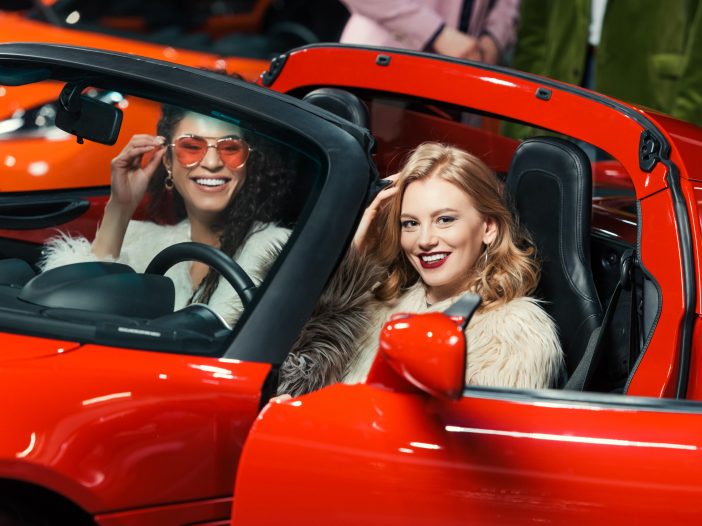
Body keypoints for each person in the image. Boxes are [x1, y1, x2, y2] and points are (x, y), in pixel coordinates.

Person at [40, 106, 292, 324]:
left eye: (230, 148)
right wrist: (120, 208)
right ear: (168, 162)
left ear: (247, 162)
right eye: (192, 147)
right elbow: (66, 311)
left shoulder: (276, 250)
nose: (213, 162)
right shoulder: (140, 243)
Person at [347, 142, 563, 389]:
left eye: (445, 220)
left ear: (488, 227)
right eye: (410, 224)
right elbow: (306, 368)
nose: (425, 240)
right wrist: (356, 252)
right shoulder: (375, 302)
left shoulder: (515, 335)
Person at [506, 0, 702, 135]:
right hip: (560, 87)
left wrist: (683, 125)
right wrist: (520, 117)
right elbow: (533, 33)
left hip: (648, 97)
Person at [339, 0, 520, 65]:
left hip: (464, 74)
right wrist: (436, 32)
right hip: (383, 61)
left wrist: (495, 38)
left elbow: (509, 5)